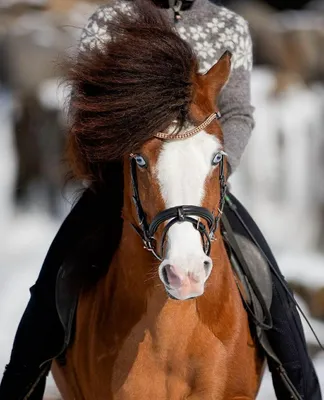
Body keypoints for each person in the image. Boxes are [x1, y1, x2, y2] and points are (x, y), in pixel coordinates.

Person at [0, 0, 321, 399]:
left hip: (203, 189)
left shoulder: (229, 26)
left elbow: (238, 112)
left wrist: (213, 169)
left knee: (272, 289)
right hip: (122, 190)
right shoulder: (110, 22)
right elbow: (87, 112)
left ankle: (303, 391)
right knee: (53, 284)